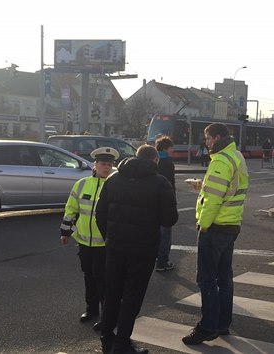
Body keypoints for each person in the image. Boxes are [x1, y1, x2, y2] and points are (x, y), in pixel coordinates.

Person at [96, 145, 178, 354]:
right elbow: (170, 219)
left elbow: (100, 213)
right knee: (132, 296)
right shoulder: (160, 183)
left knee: (112, 292)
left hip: (115, 246)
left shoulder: (113, 179)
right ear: (155, 161)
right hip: (143, 249)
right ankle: (123, 343)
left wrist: (110, 235)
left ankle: (107, 337)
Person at [182, 123, 249, 345]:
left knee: (207, 279)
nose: (207, 142)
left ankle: (208, 327)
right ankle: (222, 323)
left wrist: (204, 224)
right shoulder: (236, 156)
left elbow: (213, 199)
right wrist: (202, 186)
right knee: (224, 277)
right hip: (231, 225)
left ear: (217, 137)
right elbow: (228, 189)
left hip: (216, 227)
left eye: (208, 138)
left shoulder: (220, 160)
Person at [59, 147, 119, 332]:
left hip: (104, 243)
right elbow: (71, 209)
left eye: (109, 164)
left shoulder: (115, 185)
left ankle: (106, 316)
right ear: (95, 165)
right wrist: (65, 232)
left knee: (103, 279)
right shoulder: (82, 184)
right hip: (84, 241)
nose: (106, 167)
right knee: (89, 276)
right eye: (103, 164)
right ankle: (91, 310)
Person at [155, 136, 176, 272]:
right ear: (165, 149)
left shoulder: (154, 160)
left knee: (155, 232)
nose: (173, 151)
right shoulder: (168, 163)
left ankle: (156, 257)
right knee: (165, 233)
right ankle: (163, 262)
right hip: (164, 203)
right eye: (171, 148)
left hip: (152, 202)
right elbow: (170, 184)